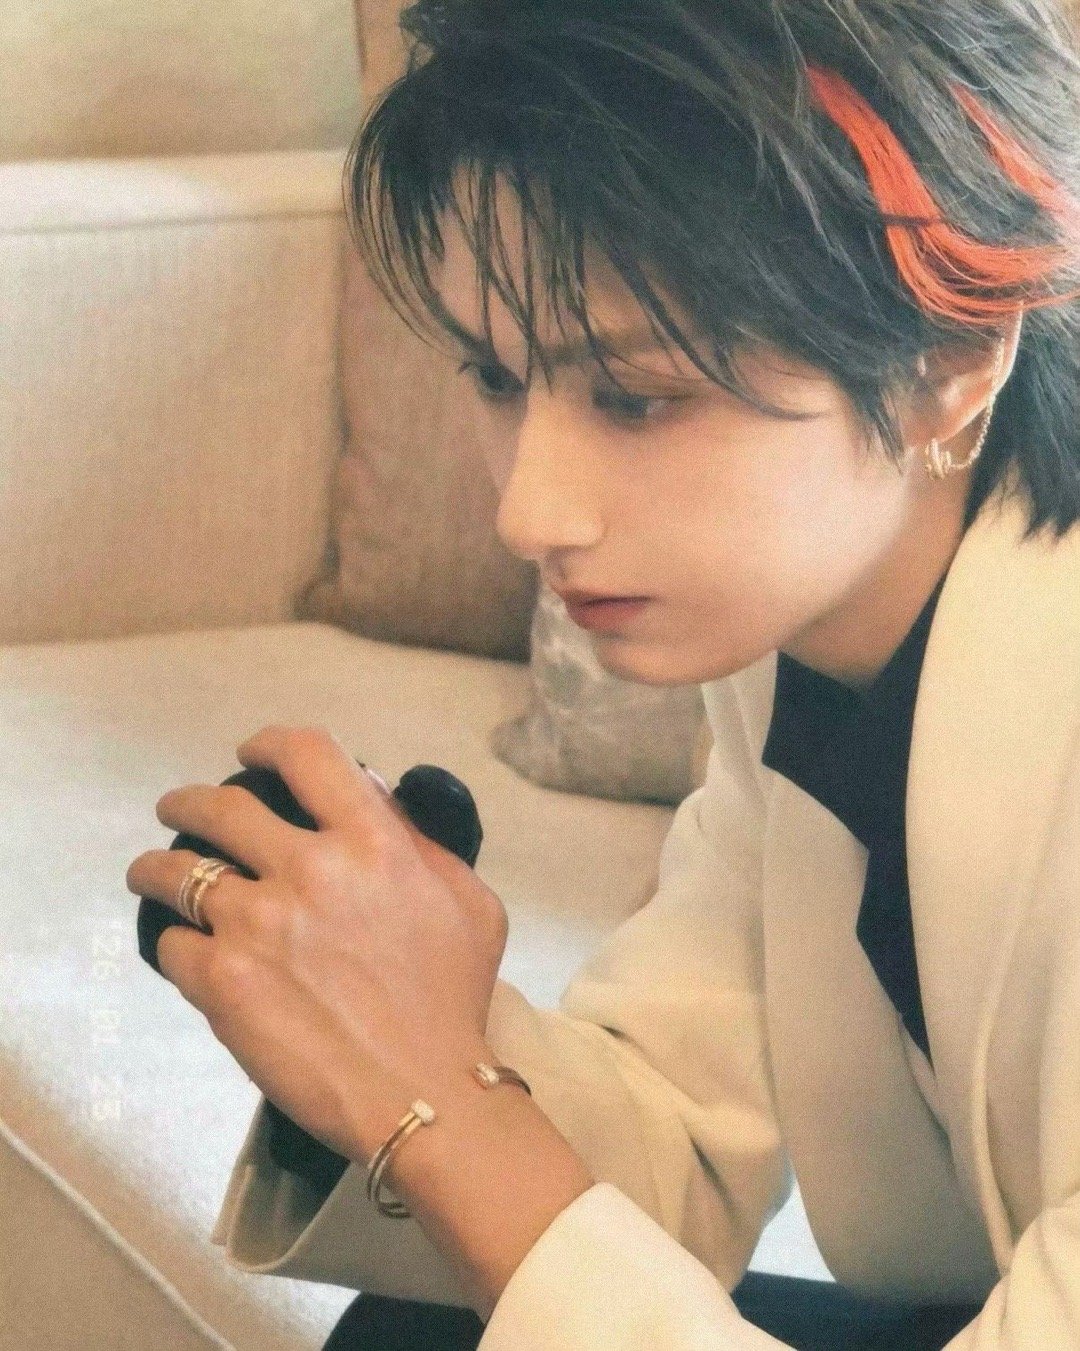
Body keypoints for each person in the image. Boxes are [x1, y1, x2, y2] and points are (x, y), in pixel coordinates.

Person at [124, 1, 1080, 1347]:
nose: (530, 514)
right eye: (496, 377)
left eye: (636, 397)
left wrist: (441, 1106)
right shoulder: (808, 647)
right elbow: (676, 1137)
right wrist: (375, 1020)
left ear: (951, 362)